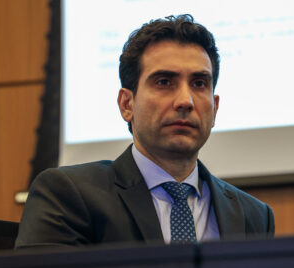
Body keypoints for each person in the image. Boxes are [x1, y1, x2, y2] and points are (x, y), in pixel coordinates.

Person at [15, 14, 274, 249]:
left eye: (198, 83)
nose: (185, 101)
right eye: (164, 82)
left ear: (215, 108)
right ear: (127, 104)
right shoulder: (68, 195)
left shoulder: (254, 217)